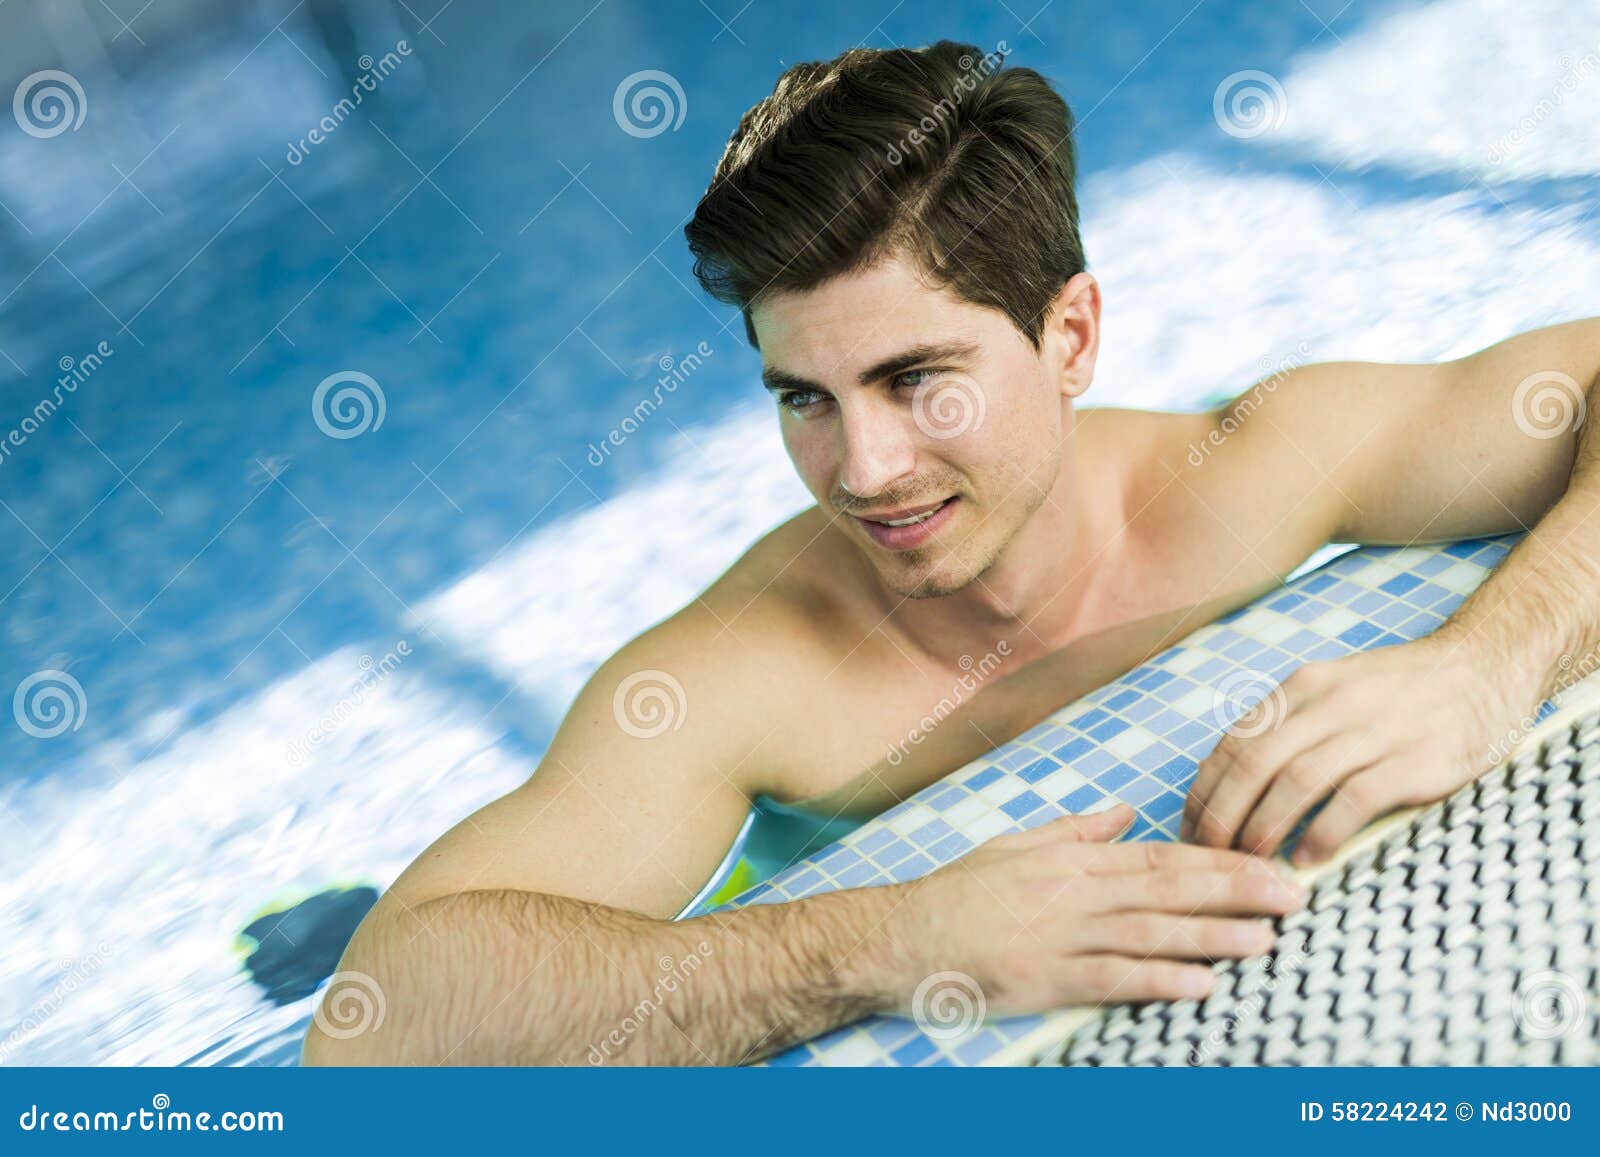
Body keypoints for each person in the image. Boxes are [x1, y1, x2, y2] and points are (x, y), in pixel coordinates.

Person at [302, 40, 1600, 1066]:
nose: (860, 471)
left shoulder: (1255, 470)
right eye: (803, 397)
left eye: (917, 377)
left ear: (1071, 337)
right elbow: (379, 1032)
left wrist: (1492, 663)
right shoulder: (736, 674)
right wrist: (894, 933)